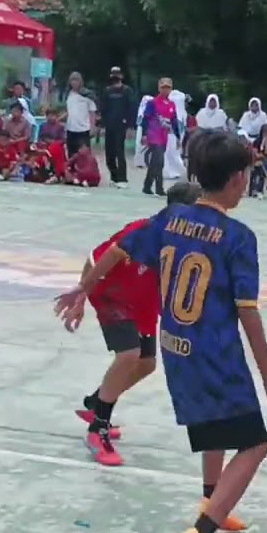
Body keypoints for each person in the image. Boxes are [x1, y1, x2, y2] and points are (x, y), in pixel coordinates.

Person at [53, 131, 267, 533]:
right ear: (237, 179)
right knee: (256, 444)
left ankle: (212, 502)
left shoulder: (170, 219)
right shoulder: (238, 237)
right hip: (215, 354)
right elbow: (248, 313)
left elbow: (117, 251)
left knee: (214, 426)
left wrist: (82, 288)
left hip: (175, 348)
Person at [60, 182, 203, 466]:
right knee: (128, 355)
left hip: (142, 299)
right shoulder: (146, 231)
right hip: (112, 295)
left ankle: (97, 402)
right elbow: (96, 259)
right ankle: (98, 428)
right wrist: (81, 294)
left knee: (146, 364)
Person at [140, 77, 180, 196]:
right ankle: (159, 188)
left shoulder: (172, 105)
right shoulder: (152, 103)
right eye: (163, 87)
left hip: (164, 136)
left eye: (168, 88)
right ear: (159, 88)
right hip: (153, 135)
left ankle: (147, 186)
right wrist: (144, 134)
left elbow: (174, 122)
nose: (165, 90)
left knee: (154, 162)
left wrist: (178, 137)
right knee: (159, 161)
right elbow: (145, 119)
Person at [100, 67, 135, 187]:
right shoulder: (107, 91)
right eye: (113, 74)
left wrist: (130, 127)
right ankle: (114, 177)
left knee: (120, 152)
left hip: (121, 126)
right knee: (109, 154)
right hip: (109, 126)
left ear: (121, 76)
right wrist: (102, 126)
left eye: (117, 74)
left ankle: (122, 179)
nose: (115, 77)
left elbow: (131, 109)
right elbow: (103, 109)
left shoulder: (127, 91)